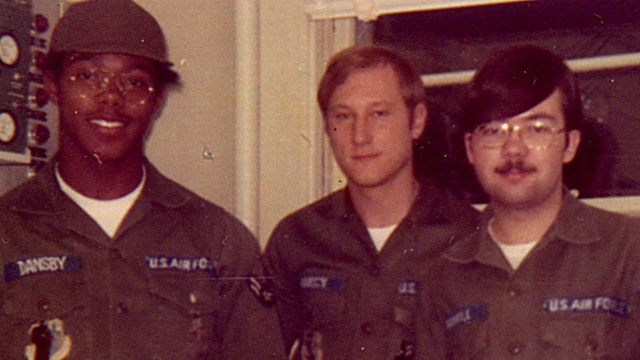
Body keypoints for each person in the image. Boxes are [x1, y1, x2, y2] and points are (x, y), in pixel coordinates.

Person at [0, 0, 284, 358]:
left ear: (157, 99)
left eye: (134, 82)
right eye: (87, 75)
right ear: (53, 85)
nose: (111, 98)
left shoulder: (218, 241)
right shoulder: (7, 233)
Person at [417, 44, 640, 359]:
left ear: (570, 144)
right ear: (470, 148)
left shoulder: (629, 254)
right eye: (494, 130)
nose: (514, 150)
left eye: (537, 128)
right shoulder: (443, 279)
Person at [262, 45, 478, 359]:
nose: (360, 136)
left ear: (416, 122)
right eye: (344, 116)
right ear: (327, 128)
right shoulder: (295, 238)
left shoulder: (469, 236)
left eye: (379, 114)